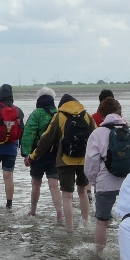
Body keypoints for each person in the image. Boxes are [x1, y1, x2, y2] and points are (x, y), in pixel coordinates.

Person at [30, 93, 96, 230]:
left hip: (65, 160)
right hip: (84, 160)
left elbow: (46, 139)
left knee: (67, 195)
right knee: (82, 190)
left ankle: (70, 229)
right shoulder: (86, 115)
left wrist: (33, 156)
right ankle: (85, 223)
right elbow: (96, 135)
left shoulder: (59, 115)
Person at [85, 97, 130, 252]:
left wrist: (95, 182)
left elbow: (90, 164)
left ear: (101, 115)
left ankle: (99, 256)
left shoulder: (97, 134)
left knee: (102, 221)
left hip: (105, 183)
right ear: (119, 112)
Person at [21, 87, 61, 220]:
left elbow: (28, 134)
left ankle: (32, 212)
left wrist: (26, 154)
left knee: (36, 184)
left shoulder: (36, 113)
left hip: (37, 154)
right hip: (55, 154)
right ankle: (59, 213)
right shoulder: (58, 113)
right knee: (54, 184)